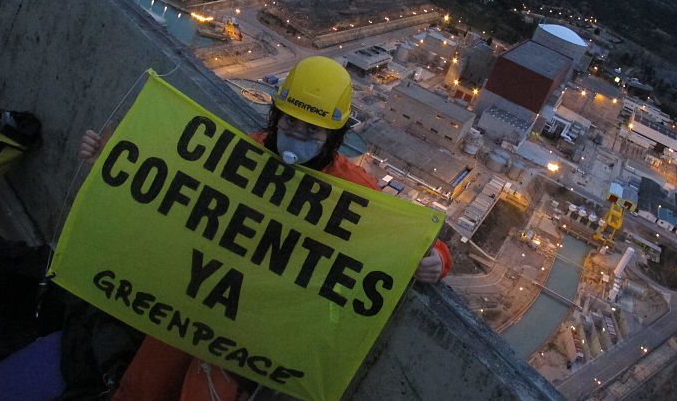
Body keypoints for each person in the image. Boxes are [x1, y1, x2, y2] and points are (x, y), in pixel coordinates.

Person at [79, 56, 451, 400]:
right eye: (290, 122)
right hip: (200, 296)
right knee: (141, 385)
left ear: (333, 137)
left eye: (313, 130)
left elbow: (407, 236)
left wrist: (438, 259)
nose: (297, 134)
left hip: (259, 327)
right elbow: (179, 185)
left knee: (203, 391)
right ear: (276, 117)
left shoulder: (353, 189)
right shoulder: (248, 151)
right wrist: (111, 158)